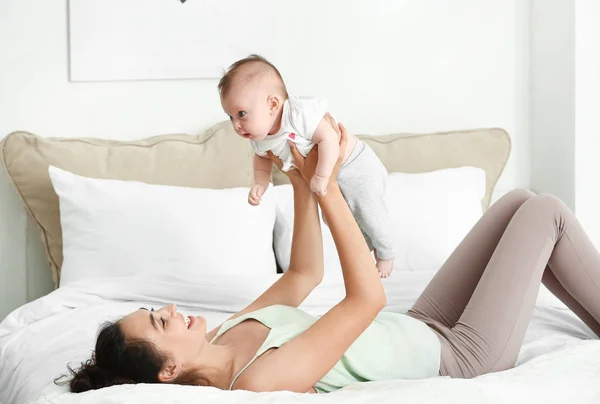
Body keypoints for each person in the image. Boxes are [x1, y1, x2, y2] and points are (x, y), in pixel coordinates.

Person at [66, 117, 600, 394]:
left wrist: (300, 176)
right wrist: (330, 188)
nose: (171, 309)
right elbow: (367, 298)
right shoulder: (255, 381)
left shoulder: (228, 332)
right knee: (546, 211)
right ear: (170, 369)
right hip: (460, 358)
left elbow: (303, 274)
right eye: (161, 322)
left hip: (421, 324)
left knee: (518, 202)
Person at [219, 54, 394, 277]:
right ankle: (367, 249)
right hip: (331, 179)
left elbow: (329, 139)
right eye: (230, 117)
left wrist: (321, 177)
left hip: (355, 165)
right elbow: (262, 160)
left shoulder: (298, 114)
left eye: (241, 114)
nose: (236, 125)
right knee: (334, 220)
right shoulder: (259, 139)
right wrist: (259, 185)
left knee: (368, 210)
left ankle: (386, 252)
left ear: (272, 104)